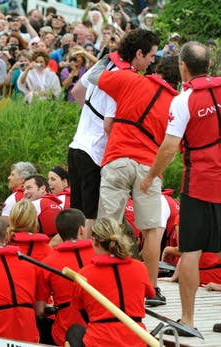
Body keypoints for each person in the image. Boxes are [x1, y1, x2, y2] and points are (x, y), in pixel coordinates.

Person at [140, 41, 221, 332]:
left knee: (191, 250)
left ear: (183, 67)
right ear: (210, 66)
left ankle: (187, 319)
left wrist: (150, 176)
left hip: (201, 183)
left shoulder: (183, 100)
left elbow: (169, 147)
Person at [91, 48, 180, 306]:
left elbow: (94, 77)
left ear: (157, 70)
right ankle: (151, 289)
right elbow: (174, 148)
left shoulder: (132, 79)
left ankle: (103, 283)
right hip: (148, 167)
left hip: (117, 158)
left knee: (107, 223)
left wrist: (109, 56)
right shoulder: (176, 103)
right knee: (151, 229)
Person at [68, 29, 155, 238]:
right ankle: (88, 264)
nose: (152, 62)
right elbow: (109, 124)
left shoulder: (105, 65)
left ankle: (73, 256)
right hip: (95, 153)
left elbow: (77, 91)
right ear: (139, 54)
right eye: (151, 56)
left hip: (77, 146)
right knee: (91, 217)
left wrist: (89, 118)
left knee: (76, 213)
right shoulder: (124, 79)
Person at [65, 217, 154, 347]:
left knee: (75, 331)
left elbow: (81, 309)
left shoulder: (85, 274)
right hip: (136, 339)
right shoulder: (139, 267)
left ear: (94, 242)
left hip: (100, 341)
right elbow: (149, 294)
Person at [36, 208, 94, 346]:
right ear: (81, 230)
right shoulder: (98, 254)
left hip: (64, 333)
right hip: (101, 330)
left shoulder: (47, 263)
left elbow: (39, 309)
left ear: (59, 233)